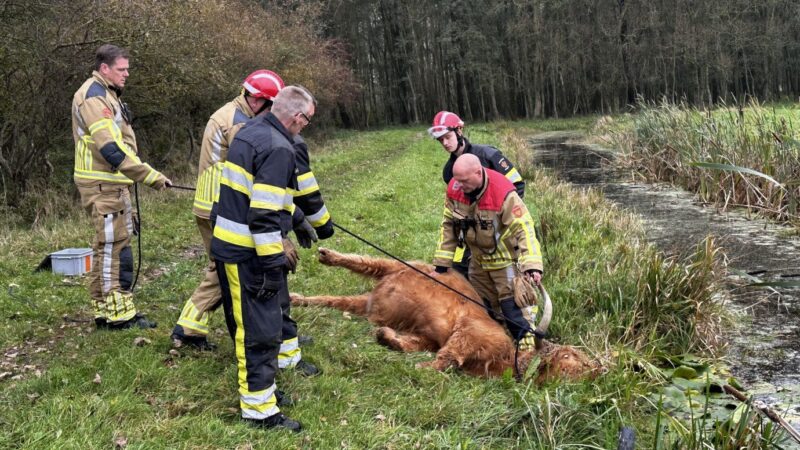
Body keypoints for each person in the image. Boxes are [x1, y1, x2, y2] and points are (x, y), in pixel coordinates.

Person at [171, 72, 330, 377]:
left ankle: (195, 326)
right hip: (227, 206)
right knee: (233, 274)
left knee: (226, 272)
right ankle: (246, 340)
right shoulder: (244, 125)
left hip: (226, 202)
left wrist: (294, 217)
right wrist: (280, 242)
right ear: (260, 101)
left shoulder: (240, 116)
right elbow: (262, 195)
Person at [211, 85, 326, 431]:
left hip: (235, 247)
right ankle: (260, 411)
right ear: (296, 116)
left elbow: (263, 195)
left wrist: (296, 219)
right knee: (258, 331)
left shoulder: (251, 132)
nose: (306, 126)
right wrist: (273, 261)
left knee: (261, 324)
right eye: (307, 120)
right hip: (247, 253)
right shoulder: (279, 149)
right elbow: (262, 214)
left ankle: (266, 391)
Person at [71, 44, 172, 330]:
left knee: (114, 246)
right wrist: (149, 175)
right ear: (105, 68)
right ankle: (115, 317)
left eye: (127, 69)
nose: (127, 74)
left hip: (114, 184)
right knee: (111, 249)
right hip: (102, 185)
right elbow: (111, 149)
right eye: (121, 69)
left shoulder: (108, 95)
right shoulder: (94, 97)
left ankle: (113, 310)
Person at [431, 154, 543, 349]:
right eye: (457, 180)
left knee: (513, 310)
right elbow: (448, 226)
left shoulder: (503, 193)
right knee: (484, 308)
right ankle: (498, 345)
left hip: (504, 262)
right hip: (477, 262)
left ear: (478, 172)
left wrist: (532, 265)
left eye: (464, 181)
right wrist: (441, 265)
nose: (460, 185)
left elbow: (524, 229)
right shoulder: (455, 190)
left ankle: (527, 352)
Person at [428, 111, 525, 278]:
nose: (444, 143)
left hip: (499, 228)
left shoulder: (489, 155)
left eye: (447, 137)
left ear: (459, 131)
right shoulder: (448, 172)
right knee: (460, 273)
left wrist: (499, 220)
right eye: (440, 140)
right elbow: (456, 204)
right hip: (471, 233)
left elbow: (518, 184)